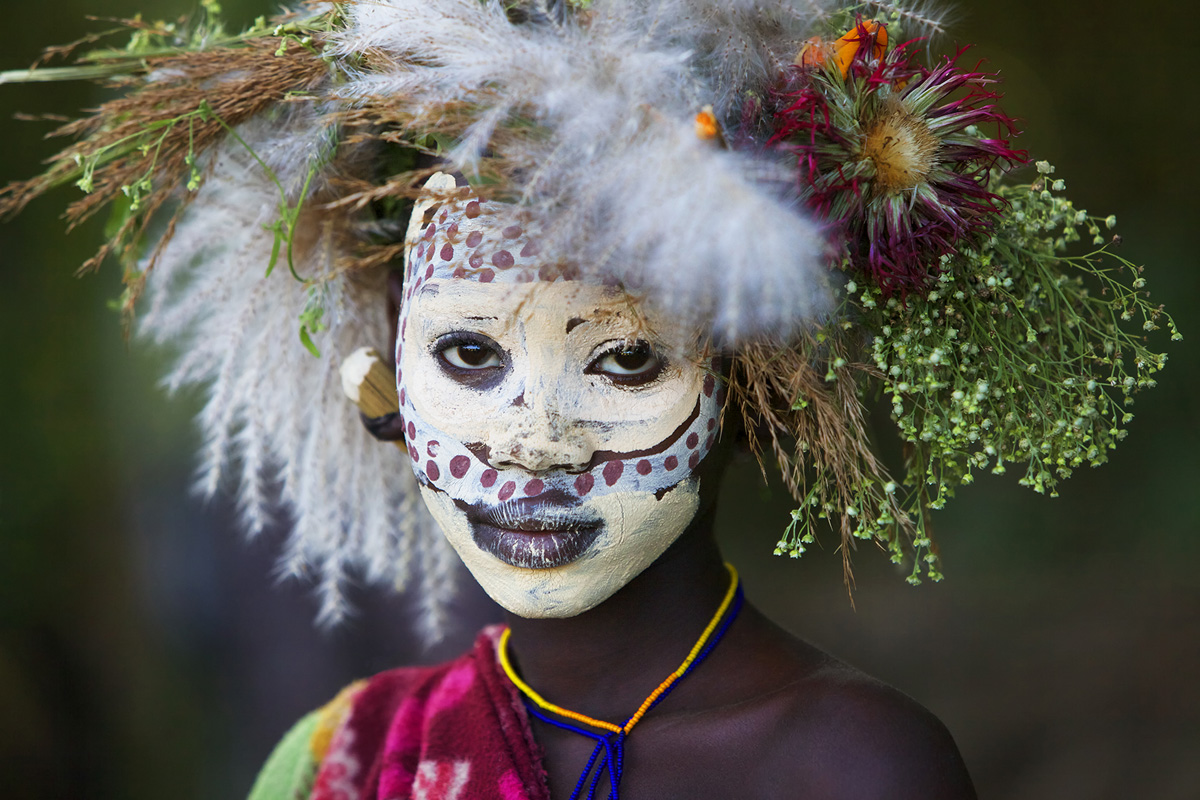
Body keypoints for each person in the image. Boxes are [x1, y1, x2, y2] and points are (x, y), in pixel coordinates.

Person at [0, 1, 1172, 798]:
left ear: (750, 394)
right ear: (382, 389)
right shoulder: (339, 761)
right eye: (467, 357)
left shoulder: (854, 764)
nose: (531, 439)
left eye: (622, 361)